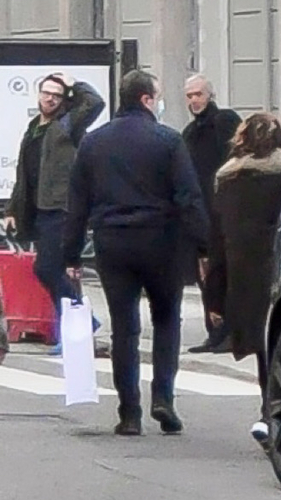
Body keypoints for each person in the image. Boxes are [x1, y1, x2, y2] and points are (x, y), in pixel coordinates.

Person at [61, 69, 210, 435]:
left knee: (124, 327)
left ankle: (129, 411)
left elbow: (77, 203)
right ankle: (164, 397)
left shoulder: (93, 143)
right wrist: (205, 247)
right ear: (146, 99)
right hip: (162, 241)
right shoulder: (169, 141)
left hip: (113, 243)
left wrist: (70, 255)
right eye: (156, 97)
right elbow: (189, 197)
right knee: (165, 320)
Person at [207, 112, 281, 386]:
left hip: (245, 277)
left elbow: (218, 243)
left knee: (263, 346)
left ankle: (268, 407)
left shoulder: (228, 179)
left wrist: (214, 299)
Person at [7, 72, 106, 353]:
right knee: (50, 269)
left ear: (63, 100)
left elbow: (95, 103)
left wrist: (76, 84)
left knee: (47, 268)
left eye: (56, 95)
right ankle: (77, 327)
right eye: (46, 93)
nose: (50, 98)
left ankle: (81, 321)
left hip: (61, 207)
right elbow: (24, 174)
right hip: (39, 208)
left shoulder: (68, 124)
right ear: (38, 95)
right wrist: (14, 209)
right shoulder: (34, 128)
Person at [180, 75, 242, 352]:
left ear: (210, 95)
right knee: (206, 272)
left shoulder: (225, 121)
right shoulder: (189, 133)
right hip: (199, 210)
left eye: (198, 94)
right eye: (190, 96)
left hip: (224, 208)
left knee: (223, 272)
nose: (194, 100)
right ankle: (214, 330)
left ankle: (229, 331)